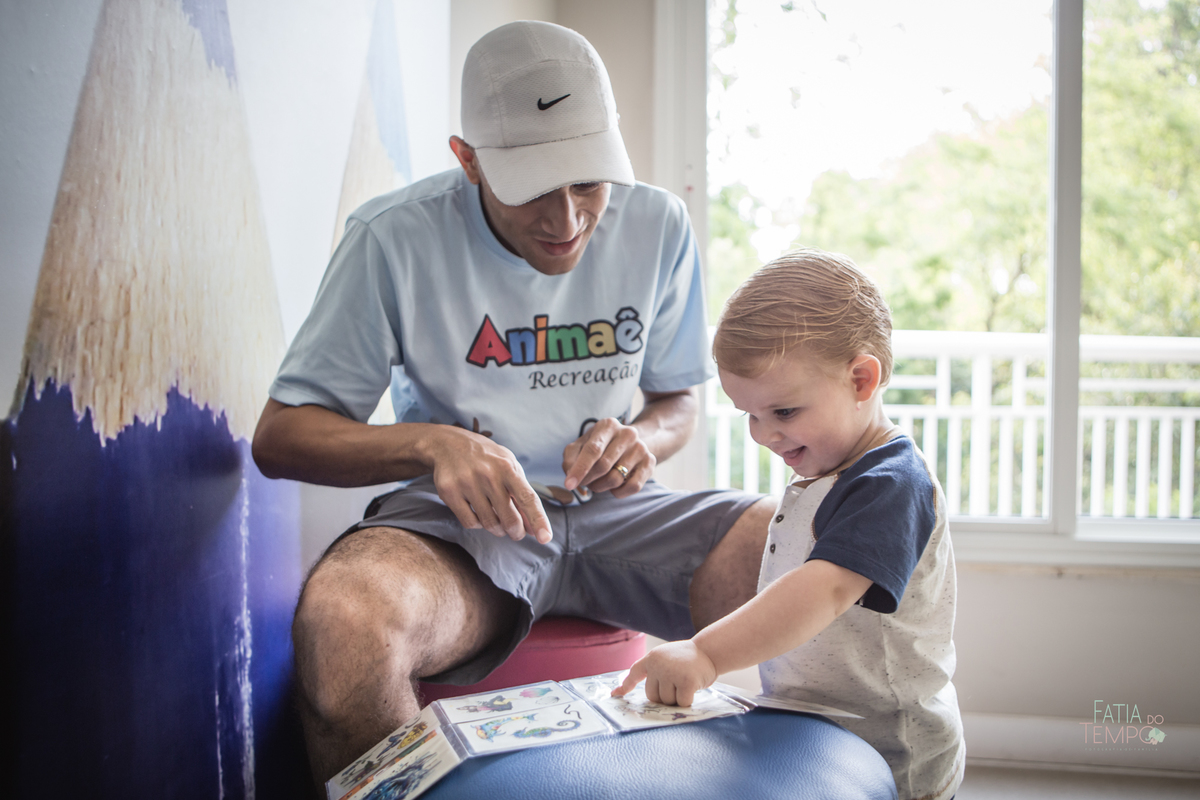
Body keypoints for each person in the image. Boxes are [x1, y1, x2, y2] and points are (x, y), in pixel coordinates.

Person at [251, 20, 773, 785]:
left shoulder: (659, 224)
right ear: (467, 161)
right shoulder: (391, 239)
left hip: (620, 511)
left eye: (588, 184)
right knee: (344, 626)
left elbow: (676, 402)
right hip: (460, 529)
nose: (566, 223)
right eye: (531, 191)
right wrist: (434, 444)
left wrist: (644, 439)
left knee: (810, 545)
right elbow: (281, 436)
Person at [613, 249, 965, 800]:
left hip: (889, 747)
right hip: (821, 726)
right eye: (748, 414)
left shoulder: (892, 485)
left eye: (782, 413)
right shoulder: (834, 468)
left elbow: (822, 591)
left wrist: (706, 654)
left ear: (861, 379)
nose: (762, 434)